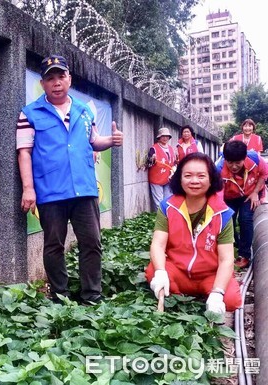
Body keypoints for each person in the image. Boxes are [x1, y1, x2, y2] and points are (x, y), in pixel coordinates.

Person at [16, 54, 123, 304]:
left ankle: (92, 296)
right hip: (50, 191)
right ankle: (60, 296)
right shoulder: (30, 113)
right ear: (42, 84)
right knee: (54, 245)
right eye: (50, 78)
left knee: (92, 243)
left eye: (60, 76)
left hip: (84, 189)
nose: (56, 83)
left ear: (69, 79)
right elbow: (24, 152)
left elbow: (93, 141)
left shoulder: (84, 110)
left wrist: (112, 141)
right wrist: (28, 189)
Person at [146, 152, 242, 314]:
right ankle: (177, 294)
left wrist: (217, 292)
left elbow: (226, 259)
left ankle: (210, 294)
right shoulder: (168, 207)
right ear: (180, 178)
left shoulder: (222, 213)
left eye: (201, 176)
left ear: (211, 179)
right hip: (178, 270)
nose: (194, 181)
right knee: (153, 272)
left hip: (209, 274)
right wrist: (161, 272)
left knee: (231, 300)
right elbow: (158, 244)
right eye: (188, 175)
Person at [216, 140, 268, 268]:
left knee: (245, 219)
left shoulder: (256, 160)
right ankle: (233, 245)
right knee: (227, 219)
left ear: (244, 158)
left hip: (248, 194)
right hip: (228, 196)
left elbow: (263, 174)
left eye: (238, 162)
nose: (234, 166)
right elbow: (218, 195)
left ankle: (244, 255)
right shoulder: (218, 169)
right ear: (225, 159)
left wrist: (256, 192)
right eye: (230, 162)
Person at [148, 127, 176, 211]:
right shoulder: (154, 148)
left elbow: (174, 162)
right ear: (159, 137)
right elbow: (149, 162)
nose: (165, 138)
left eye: (167, 136)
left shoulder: (171, 148)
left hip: (168, 178)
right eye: (163, 136)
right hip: (157, 178)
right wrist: (152, 159)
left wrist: (174, 168)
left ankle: (168, 218)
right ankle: (161, 220)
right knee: (159, 202)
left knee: (168, 200)